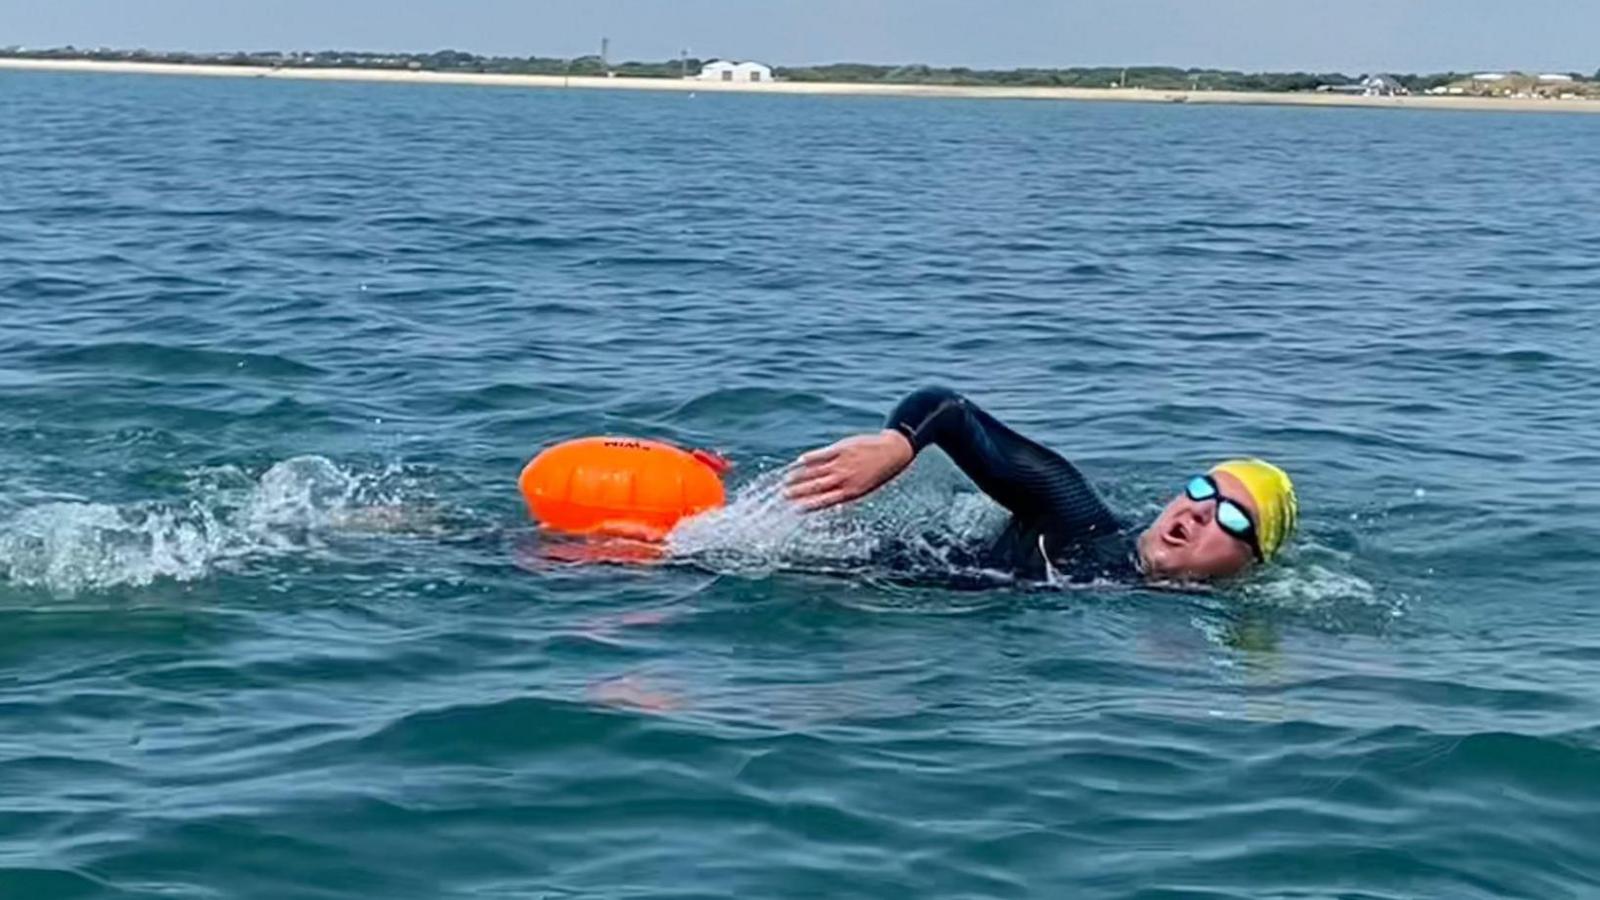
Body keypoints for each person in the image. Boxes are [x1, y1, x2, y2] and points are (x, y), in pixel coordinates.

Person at [784, 386, 1297, 584]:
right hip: (855, 567)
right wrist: (896, 444)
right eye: (1202, 490)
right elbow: (952, 413)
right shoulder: (1078, 518)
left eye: (1232, 517)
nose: (1201, 512)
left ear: (1249, 563)